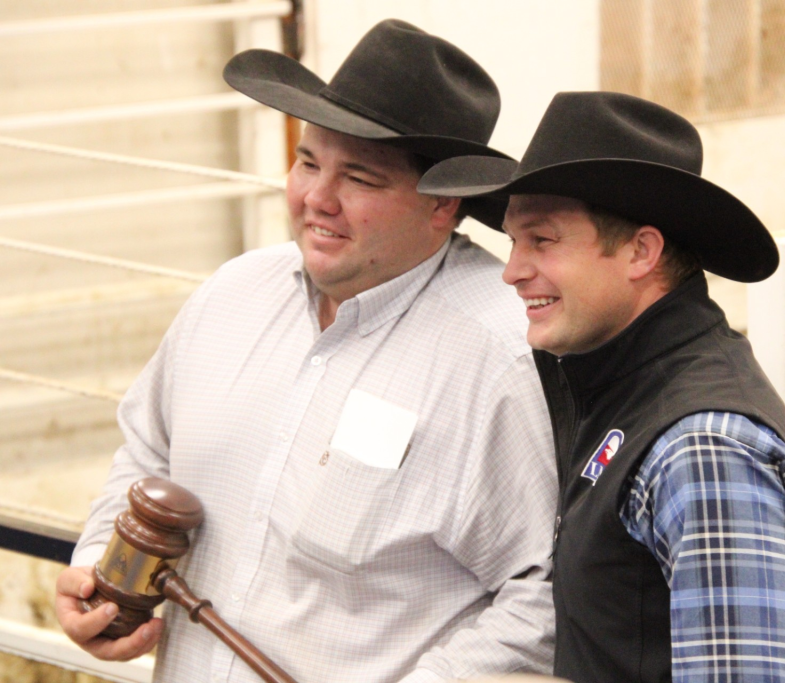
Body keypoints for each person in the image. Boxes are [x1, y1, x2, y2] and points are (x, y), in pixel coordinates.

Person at [56, 20, 557, 683]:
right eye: (307, 161)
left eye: (359, 177)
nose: (316, 199)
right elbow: (146, 452)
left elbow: (541, 595)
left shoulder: (499, 360)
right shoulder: (230, 296)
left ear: (443, 206)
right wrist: (103, 572)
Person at [418, 91, 785, 682]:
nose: (513, 269)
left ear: (641, 251)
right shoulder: (617, 385)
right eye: (513, 241)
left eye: (542, 240)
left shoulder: (701, 449)